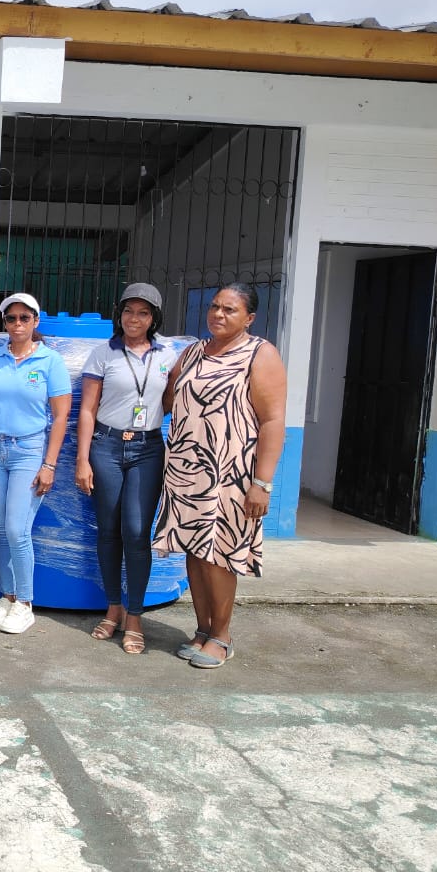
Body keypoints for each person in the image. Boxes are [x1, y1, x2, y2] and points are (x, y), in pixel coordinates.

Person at [153, 283, 287, 669]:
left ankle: (222, 636)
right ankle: (202, 629)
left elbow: (273, 420)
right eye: (215, 307)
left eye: (230, 309)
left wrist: (262, 483)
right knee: (194, 552)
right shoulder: (193, 351)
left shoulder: (260, 353)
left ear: (249, 318)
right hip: (187, 471)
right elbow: (167, 397)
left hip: (231, 473)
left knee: (220, 555)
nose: (218, 314)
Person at [74, 283, 176, 654]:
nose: (135, 318)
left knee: (135, 531)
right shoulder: (103, 354)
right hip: (106, 447)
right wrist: (82, 459)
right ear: (120, 314)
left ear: (154, 318)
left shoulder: (168, 355)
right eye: (129, 311)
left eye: (143, 313)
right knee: (109, 530)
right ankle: (113, 607)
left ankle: (135, 616)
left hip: (148, 449)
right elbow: (87, 409)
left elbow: (171, 401)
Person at [0, 292, 71, 634]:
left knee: (17, 529)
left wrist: (49, 465)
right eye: (11, 318)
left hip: (27, 451)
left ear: (35, 321)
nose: (17, 324)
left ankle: (25, 603)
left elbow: (60, 417)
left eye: (24, 318)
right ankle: (7, 596)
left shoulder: (50, 361)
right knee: (1, 529)